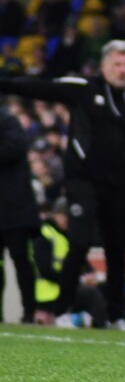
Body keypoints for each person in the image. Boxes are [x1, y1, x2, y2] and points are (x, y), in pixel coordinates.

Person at [0, 40, 125, 331]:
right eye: (117, 64)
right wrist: (5, 83)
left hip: (118, 184)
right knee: (80, 241)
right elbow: (42, 88)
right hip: (83, 179)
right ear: (104, 65)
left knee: (117, 247)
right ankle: (62, 310)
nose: (123, 70)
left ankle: (116, 315)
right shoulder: (84, 87)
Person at [34, 197, 108, 328]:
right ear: (55, 214)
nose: (68, 220)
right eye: (64, 215)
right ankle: (101, 326)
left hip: (67, 290)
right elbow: (45, 270)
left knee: (104, 288)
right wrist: (77, 280)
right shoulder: (45, 234)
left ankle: (107, 321)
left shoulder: (69, 237)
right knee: (91, 295)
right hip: (50, 294)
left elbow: (83, 264)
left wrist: (90, 276)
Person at [0, 105, 39, 323]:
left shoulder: (7, 121)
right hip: (11, 209)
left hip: (15, 210)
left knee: (21, 260)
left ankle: (29, 312)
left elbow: (14, 147)